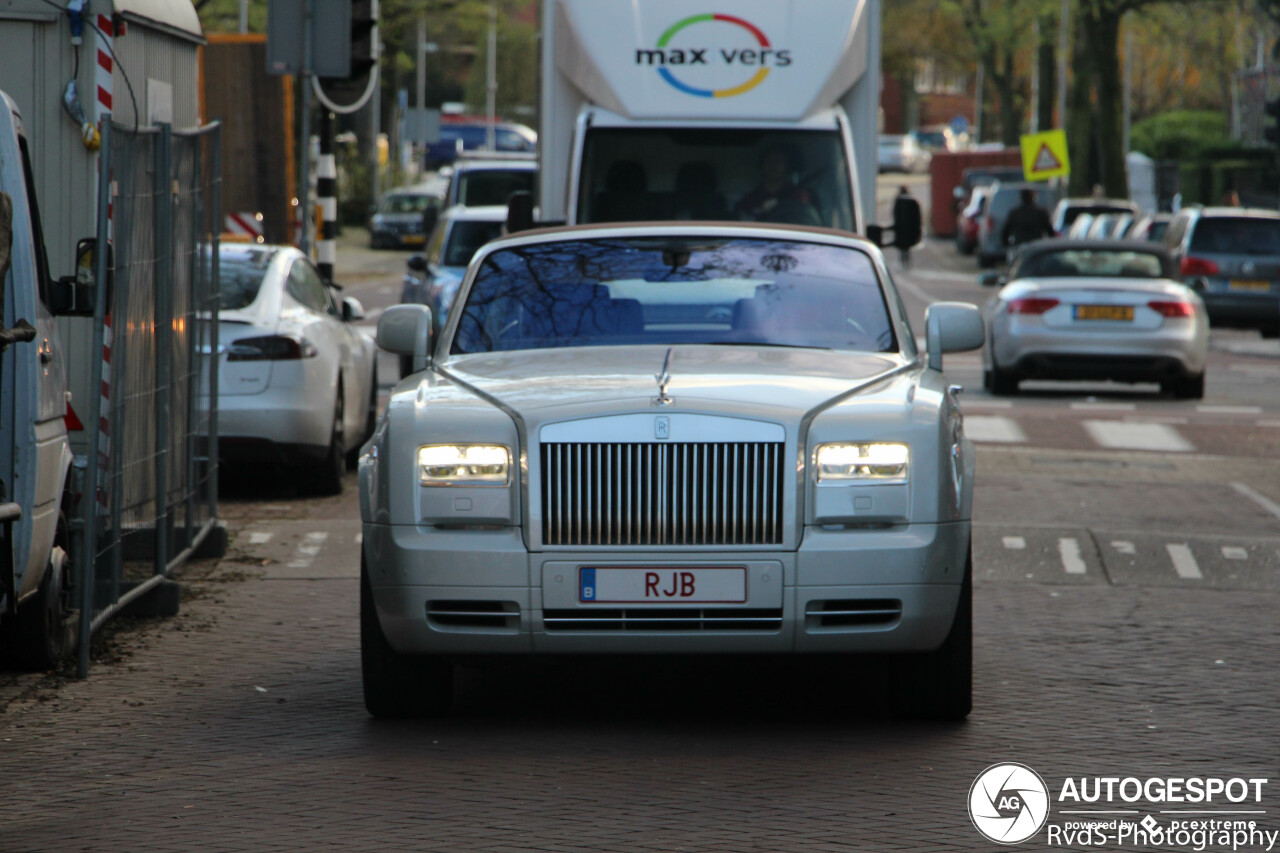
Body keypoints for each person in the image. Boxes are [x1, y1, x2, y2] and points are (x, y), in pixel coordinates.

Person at [734, 146, 821, 226]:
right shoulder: (750, 198)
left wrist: (780, 206)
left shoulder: (798, 194)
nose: (773, 166)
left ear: (787, 166)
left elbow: (804, 218)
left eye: (778, 162)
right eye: (769, 162)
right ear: (762, 166)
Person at [1001, 188, 1054, 254]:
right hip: (1037, 247)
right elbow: (1050, 231)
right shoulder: (1041, 213)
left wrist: (1006, 245)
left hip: (1020, 246)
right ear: (1034, 198)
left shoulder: (1015, 213)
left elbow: (1006, 231)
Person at [891, 185, 922, 268]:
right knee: (906, 246)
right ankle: (906, 261)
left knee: (903, 245)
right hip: (909, 228)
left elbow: (895, 213)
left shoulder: (899, 200)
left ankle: (903, 260)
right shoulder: (911, 200)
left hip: (901, 228)